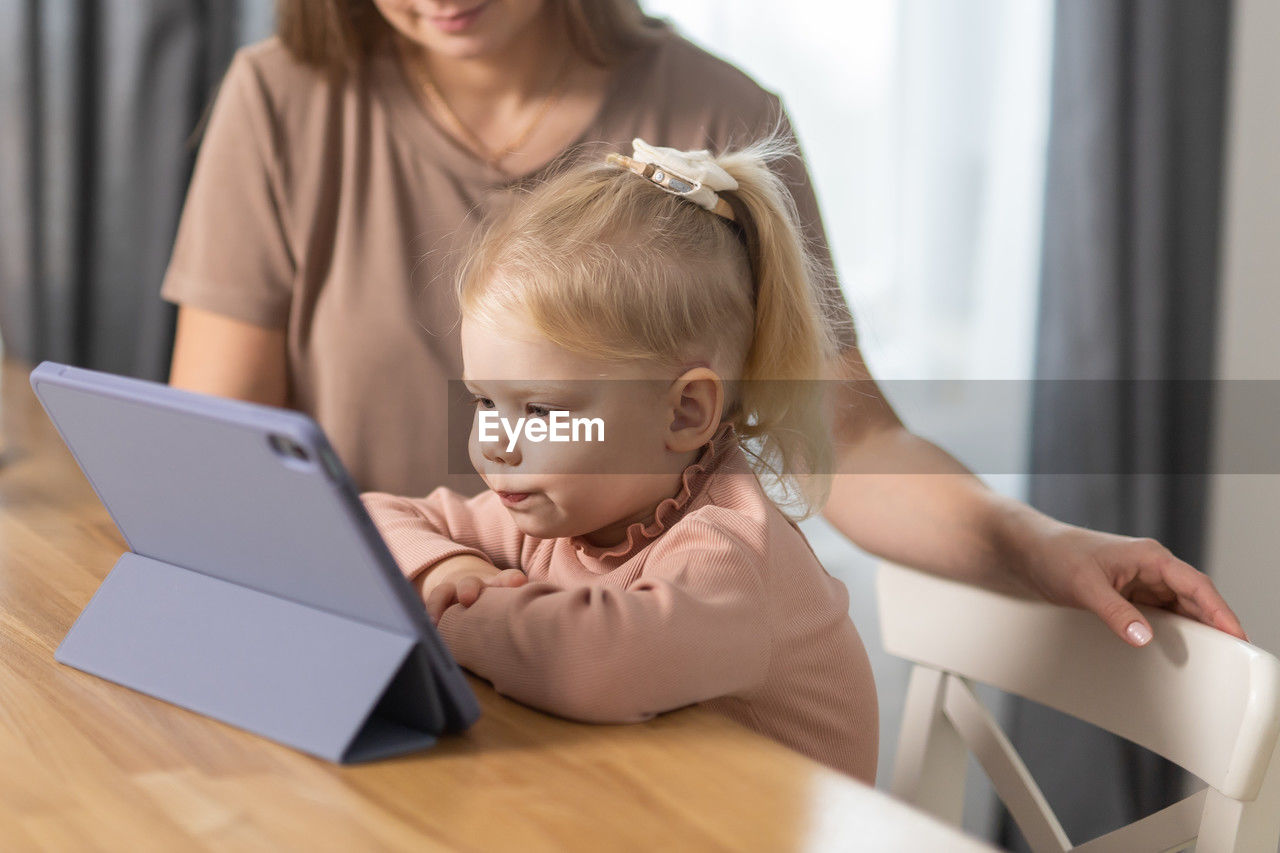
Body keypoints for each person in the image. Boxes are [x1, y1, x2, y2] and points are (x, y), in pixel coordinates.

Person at [162, 0, 1246, 657]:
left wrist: (1036, 545)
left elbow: (850, 447)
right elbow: (228, 459)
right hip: (395, 644)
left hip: (631, 703)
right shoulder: (282, 98)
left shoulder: (716, 117)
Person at [361, 138, 879, 782]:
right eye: (484, 401)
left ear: (685, 413)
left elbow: (590, 663)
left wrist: (443, 610)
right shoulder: (566, 509)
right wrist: (450, 564)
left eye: (541, 411)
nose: (496, 439)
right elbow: (365, 523)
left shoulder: (733, 553)